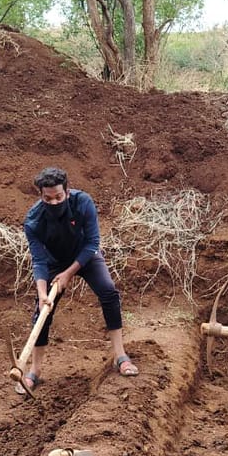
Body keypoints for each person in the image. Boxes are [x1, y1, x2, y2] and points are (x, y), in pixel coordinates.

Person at [18, 167, 137, 394]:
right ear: (40, 195)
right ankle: (34, 371)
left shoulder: (83, 203)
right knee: (42, 312)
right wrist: (43, 294)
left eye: (58, 197)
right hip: (54, 263)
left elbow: (93, 242)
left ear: (67, 192)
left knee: (109, 292)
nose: (53, 202)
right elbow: (39, 260)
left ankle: (120, 356)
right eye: (47, 198)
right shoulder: (34, 220)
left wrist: (69, 273)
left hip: (86, 255)